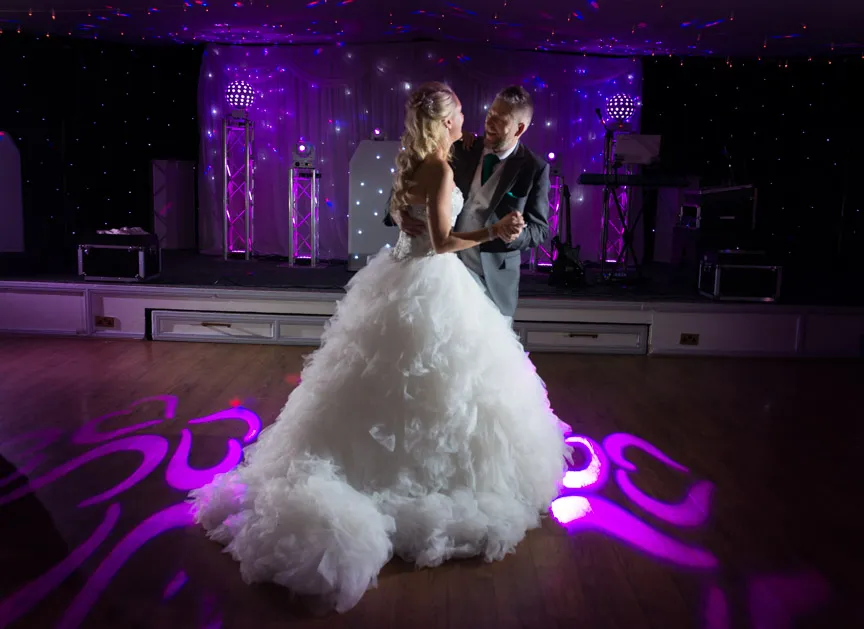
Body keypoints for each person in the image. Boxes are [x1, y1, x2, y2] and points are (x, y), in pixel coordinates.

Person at [188, 82, 571, 614]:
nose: (479, 119)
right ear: (446, 123)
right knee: (424, 379)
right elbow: (437, 239)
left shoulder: (437, 159)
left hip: (439, 277)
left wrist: (501, 232)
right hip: (435, 277)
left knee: (438, 381)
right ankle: (406, 477)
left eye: (498, 116)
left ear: (520, 126)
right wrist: (481, 230)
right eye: (468, 112)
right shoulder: (444, 161)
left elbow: (517, 227)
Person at [386, 85, 551, 318]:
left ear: (520, 128)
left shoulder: (535, 168)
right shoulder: (461, 147)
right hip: (441, 275)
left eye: (499, 119)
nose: (489, 123)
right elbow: (406, 185)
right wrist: (398, 212)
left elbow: (540, 230)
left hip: (493, 277)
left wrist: (515, 234)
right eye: (490, 114)